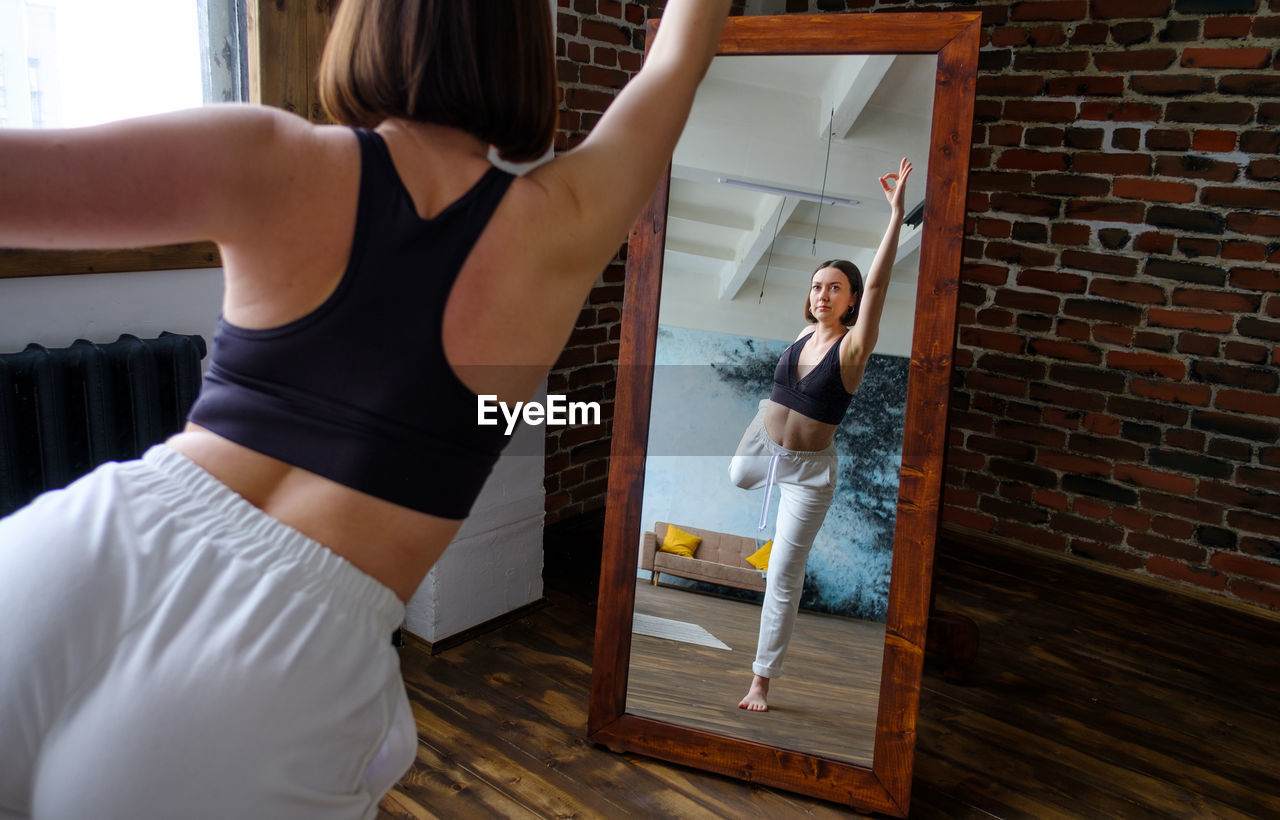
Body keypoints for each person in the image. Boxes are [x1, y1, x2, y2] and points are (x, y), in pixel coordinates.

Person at [0, 1, 731, 817]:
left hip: (84, 548)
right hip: (282, 658)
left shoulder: (270, 154)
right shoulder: (560, 224)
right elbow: (675, 62)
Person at [729, 157, 912, 712]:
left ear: (851, 300)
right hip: (764, 445)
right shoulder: (803, 333)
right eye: (816, 287)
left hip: (809, 473)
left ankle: (761, 679)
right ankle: (761, 445)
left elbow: (878, 281)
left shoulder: (851, 349)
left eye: (835, 288)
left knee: (783, 574)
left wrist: (896, 215)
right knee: (739, 475)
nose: (822, 294)